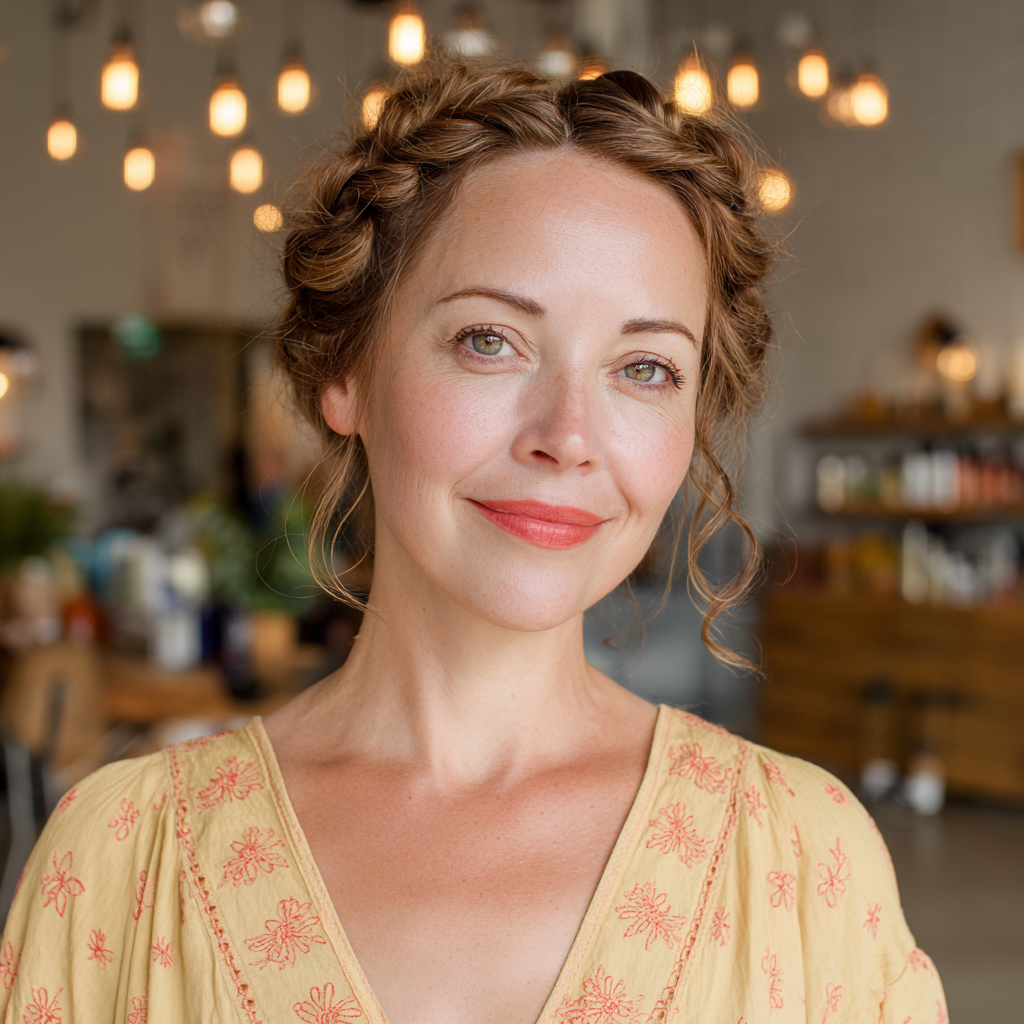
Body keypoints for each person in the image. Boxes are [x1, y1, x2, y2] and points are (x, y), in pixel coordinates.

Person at [0, 62, 946, 1024]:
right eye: (490, 340)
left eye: (646, 367)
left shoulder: (805, 861)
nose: (568, 436)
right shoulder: (119, 862)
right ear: (347, 372)